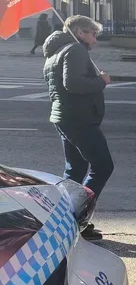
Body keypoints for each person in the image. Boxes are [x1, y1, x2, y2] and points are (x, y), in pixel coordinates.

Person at [42, 15, 113, 240]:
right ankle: (76, 219)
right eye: (93, 34)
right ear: (80, 33)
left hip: (64, 117)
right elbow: (72, 83)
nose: (95, 40)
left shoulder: (55, 52)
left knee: (75, 170)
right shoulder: (75, 50)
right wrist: (101, 81)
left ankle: (63, 220)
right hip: (79, 120)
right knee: (102, 167)